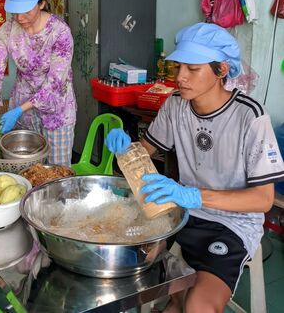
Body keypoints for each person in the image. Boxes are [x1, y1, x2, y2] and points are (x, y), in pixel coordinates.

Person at [105, 22, 284, 312]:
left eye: (193, 69)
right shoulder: (175, 105)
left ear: (221, 70)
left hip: (231, 224)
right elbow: (145, 152)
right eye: (178, 68)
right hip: (182, 212)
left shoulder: (250, 117)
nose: (181, 78)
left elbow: (263, 200)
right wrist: (126, 149)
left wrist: (193, 195)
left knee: (198, 306)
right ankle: (175, 298)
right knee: (124, 267)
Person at [0, 0, 77, 167]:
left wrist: (17, 111)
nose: (20, 18)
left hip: (57, 110)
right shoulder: (6, 31)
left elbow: (55, 83)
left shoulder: (60, 32)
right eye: (15, 11)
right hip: (22, 109)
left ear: (41, 4)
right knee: (23, 170)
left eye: (26, 11)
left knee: (56, 173)